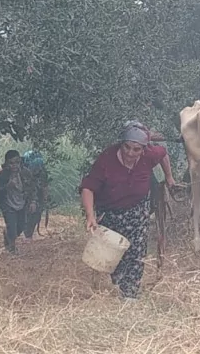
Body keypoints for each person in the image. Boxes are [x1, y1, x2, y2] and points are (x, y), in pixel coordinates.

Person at [79, 123, 175, 299]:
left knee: (136, 252)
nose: (130, 153)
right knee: (114, 254)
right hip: (111, 212)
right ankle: (120, 283)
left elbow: (163, 154)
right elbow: (88, 187)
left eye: (136, 149)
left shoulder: (149, 155)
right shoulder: (106, 159)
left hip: (137, 210)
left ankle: (130, 294)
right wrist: (90, 216)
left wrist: (169, 177)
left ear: (143, 149)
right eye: (127, 147)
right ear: (121, 144)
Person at [0, 149, 35, 253]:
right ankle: (12, 248)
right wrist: (7, 186)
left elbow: (32, 188)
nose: (14, 165)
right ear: (7, 163)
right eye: (11, 163)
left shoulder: (26, 173)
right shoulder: (3, 174)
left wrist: (33, 202)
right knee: (11, 226)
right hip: (7, 203)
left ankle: (7, 235)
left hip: (22, 202)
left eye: (17, 162)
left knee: (21, 226)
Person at [21, 150, 50, 239]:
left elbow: (45, 185)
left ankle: (29, 234)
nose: (36, 171)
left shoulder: (42, 172)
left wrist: (45, 199)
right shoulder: (20, 171)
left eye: (37, 168)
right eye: (34, 168)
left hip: (37, 194)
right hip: (23, 196)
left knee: (36, 213)